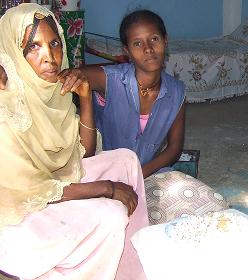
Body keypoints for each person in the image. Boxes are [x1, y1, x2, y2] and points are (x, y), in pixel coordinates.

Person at [0, 4, 148, 279]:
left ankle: (130, 270)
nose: (50, 57)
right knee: (110, 215)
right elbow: (37, 192)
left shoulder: (51, 93)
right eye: (33, 47)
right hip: (15, 222)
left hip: (50, 191)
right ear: (12, 53)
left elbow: (84, 154)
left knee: (126, 159)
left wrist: (85, 96)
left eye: (54, 43)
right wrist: (106, 188)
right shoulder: (5, 110)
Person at [60, 9, 186, 179]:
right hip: (102, 176)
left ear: (165, 40)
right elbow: (78, 74)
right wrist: (74, 74)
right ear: (127, 51)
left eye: (154, 39)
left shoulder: (177, 92)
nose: (148, 49)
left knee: (207, 199)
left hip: (147, 175)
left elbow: (174, 149)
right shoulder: (111, 80)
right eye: (137, 43)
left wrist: (137, 175)